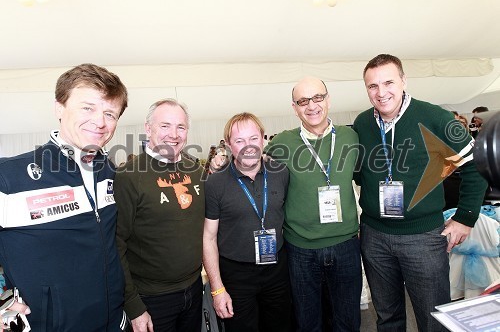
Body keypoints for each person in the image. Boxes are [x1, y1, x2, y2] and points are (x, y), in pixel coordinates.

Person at [353, 54, 488, 331]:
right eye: (372, 86)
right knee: (387, 318)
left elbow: (477, 165)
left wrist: (465, 217)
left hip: (423, 238)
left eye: (388, 82)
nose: (381, 92)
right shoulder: (363, 123)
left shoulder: (435, 117)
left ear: (403, 80)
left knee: (433, 318)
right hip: (374, 236)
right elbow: (359, 172)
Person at [0, 63, 129, 331]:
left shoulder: (108, 171)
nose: (101, 122)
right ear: (59, 108)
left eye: (110, 113)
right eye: (87, 108)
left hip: (114, 321)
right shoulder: (10, 176)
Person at [265, 77, 362, 331]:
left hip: (345, 245)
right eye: (303, 101)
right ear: (294, 107)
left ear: (328, 100)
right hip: (300, 250)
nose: (312, 106)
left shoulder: (350, 137)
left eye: (318, 98)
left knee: (348, 320)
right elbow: (251, 169)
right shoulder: (281, 144)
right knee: (308, 323)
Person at [114, 98, 205, 332]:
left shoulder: (196, 171)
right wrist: (133, 305)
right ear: (148, 128)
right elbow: (116, 244)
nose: (173, 134)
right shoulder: (129, 177)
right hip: (152, 299)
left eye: (181, 127)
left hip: (194, 290)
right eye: (165, 126)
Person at [203, 113, 292, 332]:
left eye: (253, 138)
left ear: (263, 139)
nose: (248, 146)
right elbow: (208, 237)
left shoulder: (280, 173)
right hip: (236, 275)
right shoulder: (215, 183)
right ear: (229, 145)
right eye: (239, 141)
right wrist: (217, 289)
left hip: (277, 269)